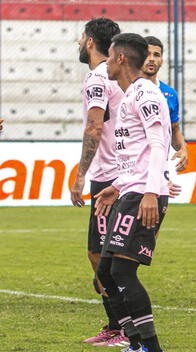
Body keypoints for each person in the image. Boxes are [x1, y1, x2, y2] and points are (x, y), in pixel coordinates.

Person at [94, 32, 172, 352]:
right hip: (131, 190)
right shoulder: (129, 96)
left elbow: (158, 146)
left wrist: (152, 192)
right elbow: (136, 154)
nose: (107, 64)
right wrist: (117, 186)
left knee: (122, 270)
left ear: (122, 59)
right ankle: (136, 343)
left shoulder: (146, 95)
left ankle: (150, 348)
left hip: (145, 195)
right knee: (106, 274)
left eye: (110, 58)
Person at [71, 17, 128, 347]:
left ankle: (121, 326)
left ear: (91, 42)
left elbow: (94, 128)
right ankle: (117, 323)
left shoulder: (97, 78)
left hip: (108, 175)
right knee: (103, 253)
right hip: (119, 171)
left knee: (101, 255)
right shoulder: (118, 76)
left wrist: (80, 176)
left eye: (81, 38)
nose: (79, 44)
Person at [141, 35, 188, 172]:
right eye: (147, 54)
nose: (151, 59)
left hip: (158, 168)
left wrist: (183, 149)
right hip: (131, 169)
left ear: (161, 61)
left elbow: (174, 129)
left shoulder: (170, 94)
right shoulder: (127, 89)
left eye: (156, 55)